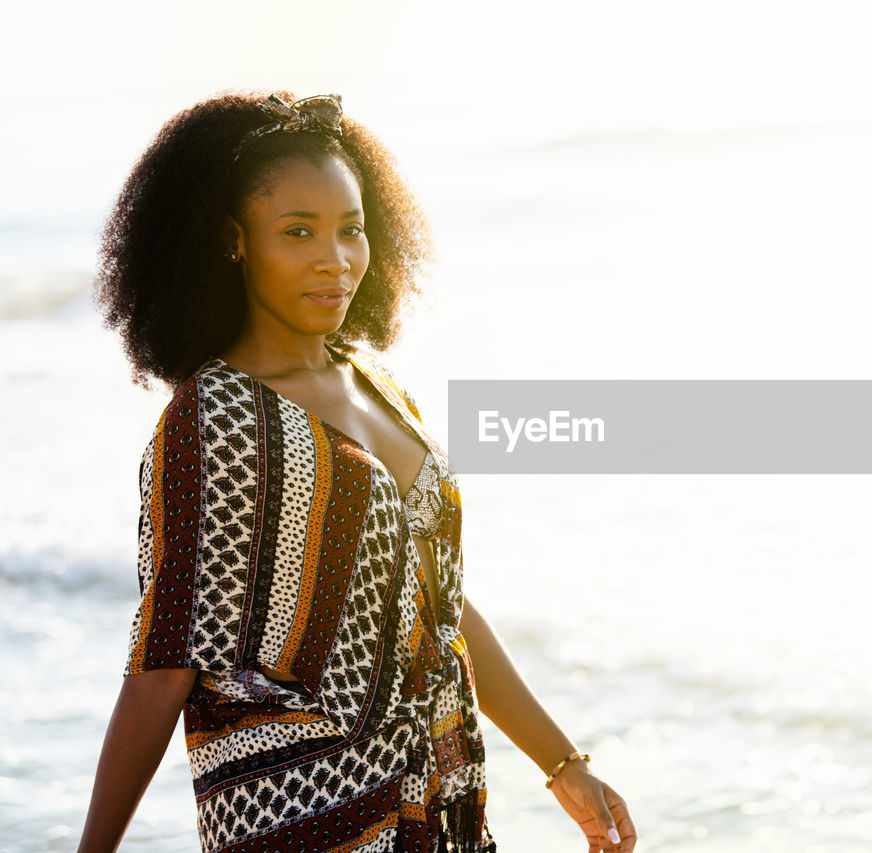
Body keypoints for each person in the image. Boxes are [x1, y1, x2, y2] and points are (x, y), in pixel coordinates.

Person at [79, 91, 637, 853]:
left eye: (351, 230)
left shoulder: (378, 385)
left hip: (437, 796)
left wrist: (563, 762)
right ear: (234, 239)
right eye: (298, 231)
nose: (333, 259)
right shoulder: (217, 418)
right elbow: (167, 660)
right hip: (302, 811)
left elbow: (440, 606)